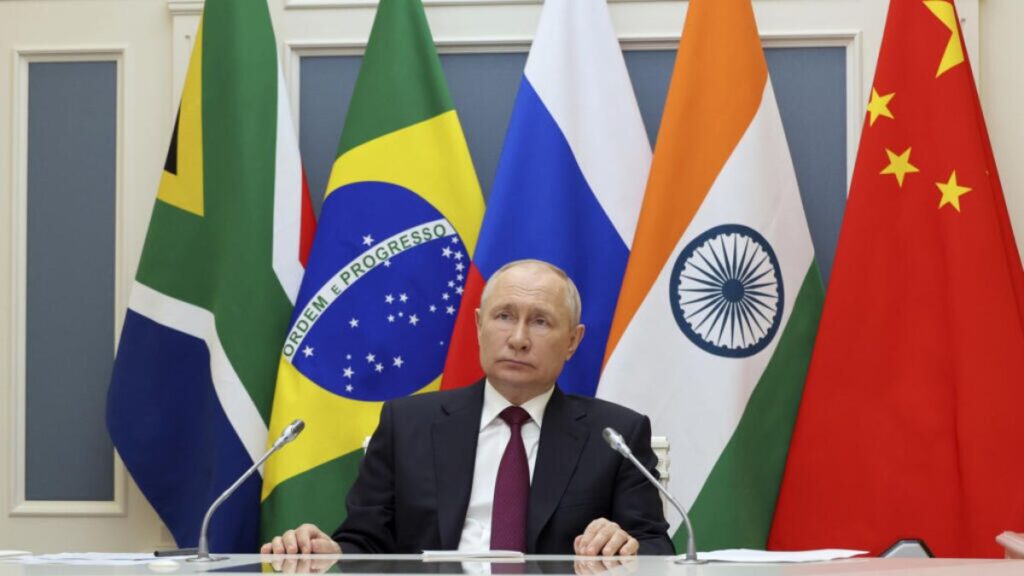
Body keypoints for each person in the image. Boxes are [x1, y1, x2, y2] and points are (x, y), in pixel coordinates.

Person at [262, 259, 673, 556]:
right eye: (504, 316)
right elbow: (365, 541)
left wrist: (626, 544)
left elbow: (656, 545)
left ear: (572, 341)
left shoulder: (614, 435)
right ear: (478, 326)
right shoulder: (407, 424)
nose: (518, 339)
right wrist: (329, 551)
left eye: (540, 322)